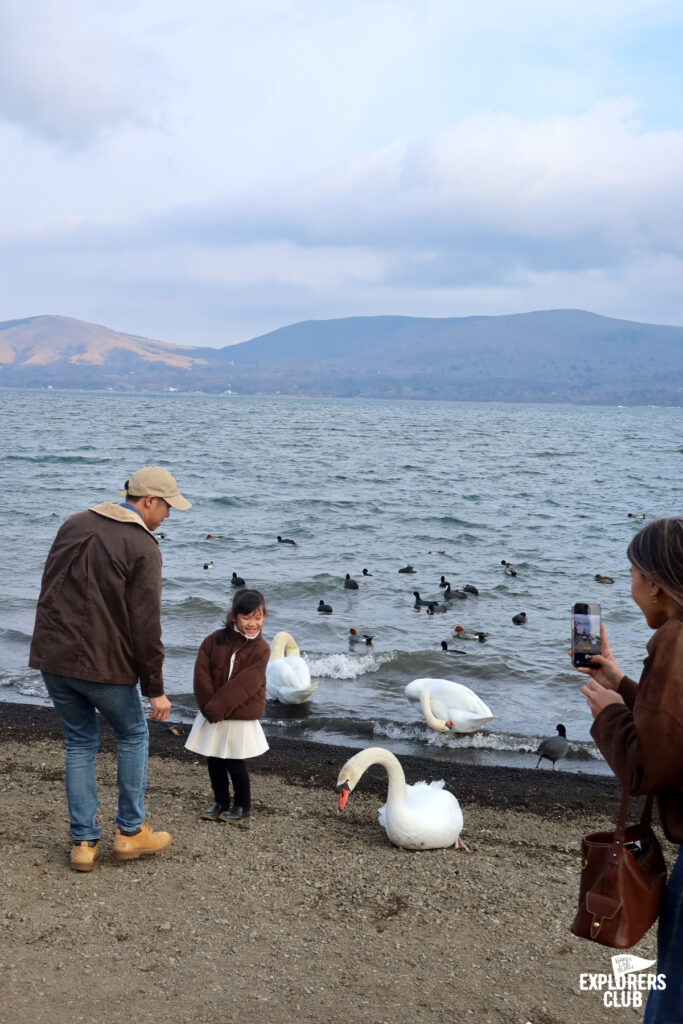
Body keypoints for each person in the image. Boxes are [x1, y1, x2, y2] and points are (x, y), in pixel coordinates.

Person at [29, 466, 191, 871]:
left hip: (54, 656)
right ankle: (131, 832)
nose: (168, 515)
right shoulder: (142, 545)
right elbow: (146, 625)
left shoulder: (74, 522)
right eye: (167, 507)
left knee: (79, 743)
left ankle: (84, 844)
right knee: (133, 734)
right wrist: (155, 688)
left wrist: (46, 649)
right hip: (103, 665)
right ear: (149, 500)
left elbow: (49, 589)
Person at [575, 518, 683, 1023]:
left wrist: (610, 715)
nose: (631, 588)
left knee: (672, 996)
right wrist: (620, 683)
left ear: (656, 584)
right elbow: (673, 731)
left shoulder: (674, 640)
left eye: (634, 575)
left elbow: (649, 770)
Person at [185, 589, 270, 827]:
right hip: (214, 713)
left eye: (258, 617)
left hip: (240, 714)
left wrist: (218, 707)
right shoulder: (213, 640)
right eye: (246, 618)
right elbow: (202, 673)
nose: (253, 623)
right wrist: (209, 707)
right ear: (233, 616)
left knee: (235, 761)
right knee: (214, 759)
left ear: (264, 617)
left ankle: (242, 806)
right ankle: (220, 802)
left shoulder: (262, 649)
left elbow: (248, 683)